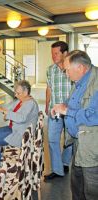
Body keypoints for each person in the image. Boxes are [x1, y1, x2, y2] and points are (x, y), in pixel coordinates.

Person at [52, 50, 98, 200]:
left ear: (80, 68)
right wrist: (63, 105)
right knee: (77, 185)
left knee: (91, 188)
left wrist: (67, 110)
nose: (66, 74)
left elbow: (95, 115)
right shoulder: (80, 81)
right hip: (78, 141)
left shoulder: (96, 83)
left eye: (67, 70)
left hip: (92, 144)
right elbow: (74, 102)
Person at [0, 80, 39, 167]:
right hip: (13, 129)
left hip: (19, 134)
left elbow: (21, 118)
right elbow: (9, 107)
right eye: (15, 93)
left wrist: (7, 113)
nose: (15, 95)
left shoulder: (30, 103)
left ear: (26, 92)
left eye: (18, 93)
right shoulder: (21, 100)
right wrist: (3, 109)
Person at [44, 41, 73, 181]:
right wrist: (47, 104)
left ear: (65, 53)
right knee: (52, 140)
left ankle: (65, 163)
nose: (53, 56)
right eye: (52, 54)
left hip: (70, 112)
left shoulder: (72, 70)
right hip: (54, 112)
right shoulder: (50, 70)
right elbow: (49, 88)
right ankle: (57, 169)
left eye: (56, 53)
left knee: (69, 140)